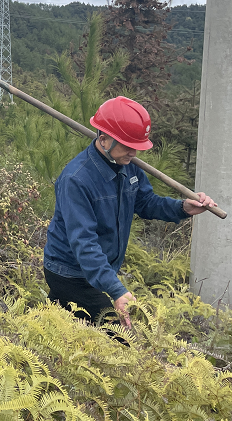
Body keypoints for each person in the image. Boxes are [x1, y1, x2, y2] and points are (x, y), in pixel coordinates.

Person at [43, 96, 217, 328]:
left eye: (137, 146)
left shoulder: (128, 165)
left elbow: (146, 202)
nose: (134, 153)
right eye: (128, 145)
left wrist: (183, 207)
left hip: (101, 271)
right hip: (71, 273)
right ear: (103, 139)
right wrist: (116, 291)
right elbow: (84, 243)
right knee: (122, 335)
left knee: (64, 330)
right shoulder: (76, 180)